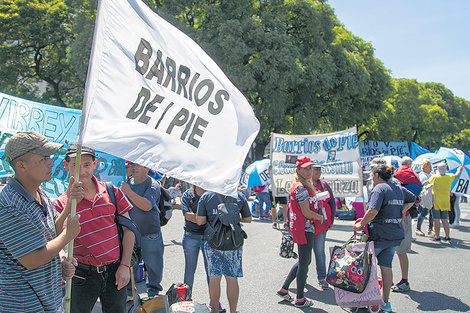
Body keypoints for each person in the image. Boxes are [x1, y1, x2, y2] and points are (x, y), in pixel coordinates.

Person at [0, 131, 81, 312]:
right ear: (22, 166)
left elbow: (51, 233)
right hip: (23, 304)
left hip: (45, 300)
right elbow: (32, 259)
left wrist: (69, 203)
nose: (51, 163)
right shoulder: (8, 204)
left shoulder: (38, 192)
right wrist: (68, 236)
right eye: (44, 158)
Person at [53, 143, 135, 313]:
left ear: (95, 164)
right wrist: (70, 203)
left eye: (87, 165)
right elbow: (56, 238)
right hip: (81, 275)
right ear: (66, 165)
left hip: (115, 271)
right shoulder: (61, 203)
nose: (81, 171)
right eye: (76, 165)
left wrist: (125, 266)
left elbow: (129, 230)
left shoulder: (112, 192)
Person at [354, 164, 416, 313]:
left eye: (372, 174)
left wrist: (360, 223)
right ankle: (385, 302)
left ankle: (367, 300)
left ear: (376, 175)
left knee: (367, 266)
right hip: (395, 235)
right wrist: (402, 210)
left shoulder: (379, 189)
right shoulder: (398, 188)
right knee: (386, 266)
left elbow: (373, 210)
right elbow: (413, 198)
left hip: (380, 234)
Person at [277, 156, 324, 308]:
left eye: (311, 168)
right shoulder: (301, 187)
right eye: (306, 168)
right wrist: (319, 217)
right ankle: (300, 298)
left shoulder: (300, 185)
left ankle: (284, 289)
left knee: (304, 261)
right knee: (305, 263)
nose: (310, 171)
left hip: (301, 227)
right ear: (298, 170)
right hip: (304, 228)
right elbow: (306, 212)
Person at [196, 190, 252, 313]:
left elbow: (200, 221)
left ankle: (215, 310)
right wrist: (232, 216)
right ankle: (233, 311)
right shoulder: (239, 196)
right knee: (232, 278)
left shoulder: (207, 196)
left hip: (213, 241)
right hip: (233, 241)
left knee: (214, 278)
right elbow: (248, 219)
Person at [121, 162, 164, 299]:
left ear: (147, 168)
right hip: (130, 234)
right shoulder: (127, 182)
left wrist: (128, 192)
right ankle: (130, 296)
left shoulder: (152, 184)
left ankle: (153, 297)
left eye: (138, 165)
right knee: (130, 266)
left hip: (150, 234)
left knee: (153, 267)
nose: (134, 168)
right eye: (132, 165)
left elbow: (146, 205)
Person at [390, 156, 421, 293]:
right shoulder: (404, 181)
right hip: (402, 218)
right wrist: (404, 210)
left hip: (399, 219)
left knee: (395, 252)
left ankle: (401, 281)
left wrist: (403, 211)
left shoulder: (395, 185)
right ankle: (402, 280)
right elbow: (414, 198)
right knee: (400, 252)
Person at [310, 161, 336, 290]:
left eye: (320, 170)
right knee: (305, 253)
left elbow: (332, 202)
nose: (318, 172)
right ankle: (301, 276)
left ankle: (322, 278)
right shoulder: (303, 185)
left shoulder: (324, 184)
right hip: (306, 223)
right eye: (316, 170)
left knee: (319, 251)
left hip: (321, 223)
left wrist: (331, 219)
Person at [428, 162, 463, 242]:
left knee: (436, 220)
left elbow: (428, 183)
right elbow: (456, 175)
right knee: (444, 219)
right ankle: (447, 236)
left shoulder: (434, 177)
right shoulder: (449, 177)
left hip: (436, 201)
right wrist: (459, 169)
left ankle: (437, 236)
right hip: (446, 201)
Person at [415, 159, 434, 236]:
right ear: (425, 167)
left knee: (432, 213)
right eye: (429, 167)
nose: (430, 169)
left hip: (431, 196)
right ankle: (418, 228)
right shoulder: (422, 175)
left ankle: (430, 229)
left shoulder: (431, 174)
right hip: (425, 196)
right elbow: (424, 185)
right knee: (423, 212)